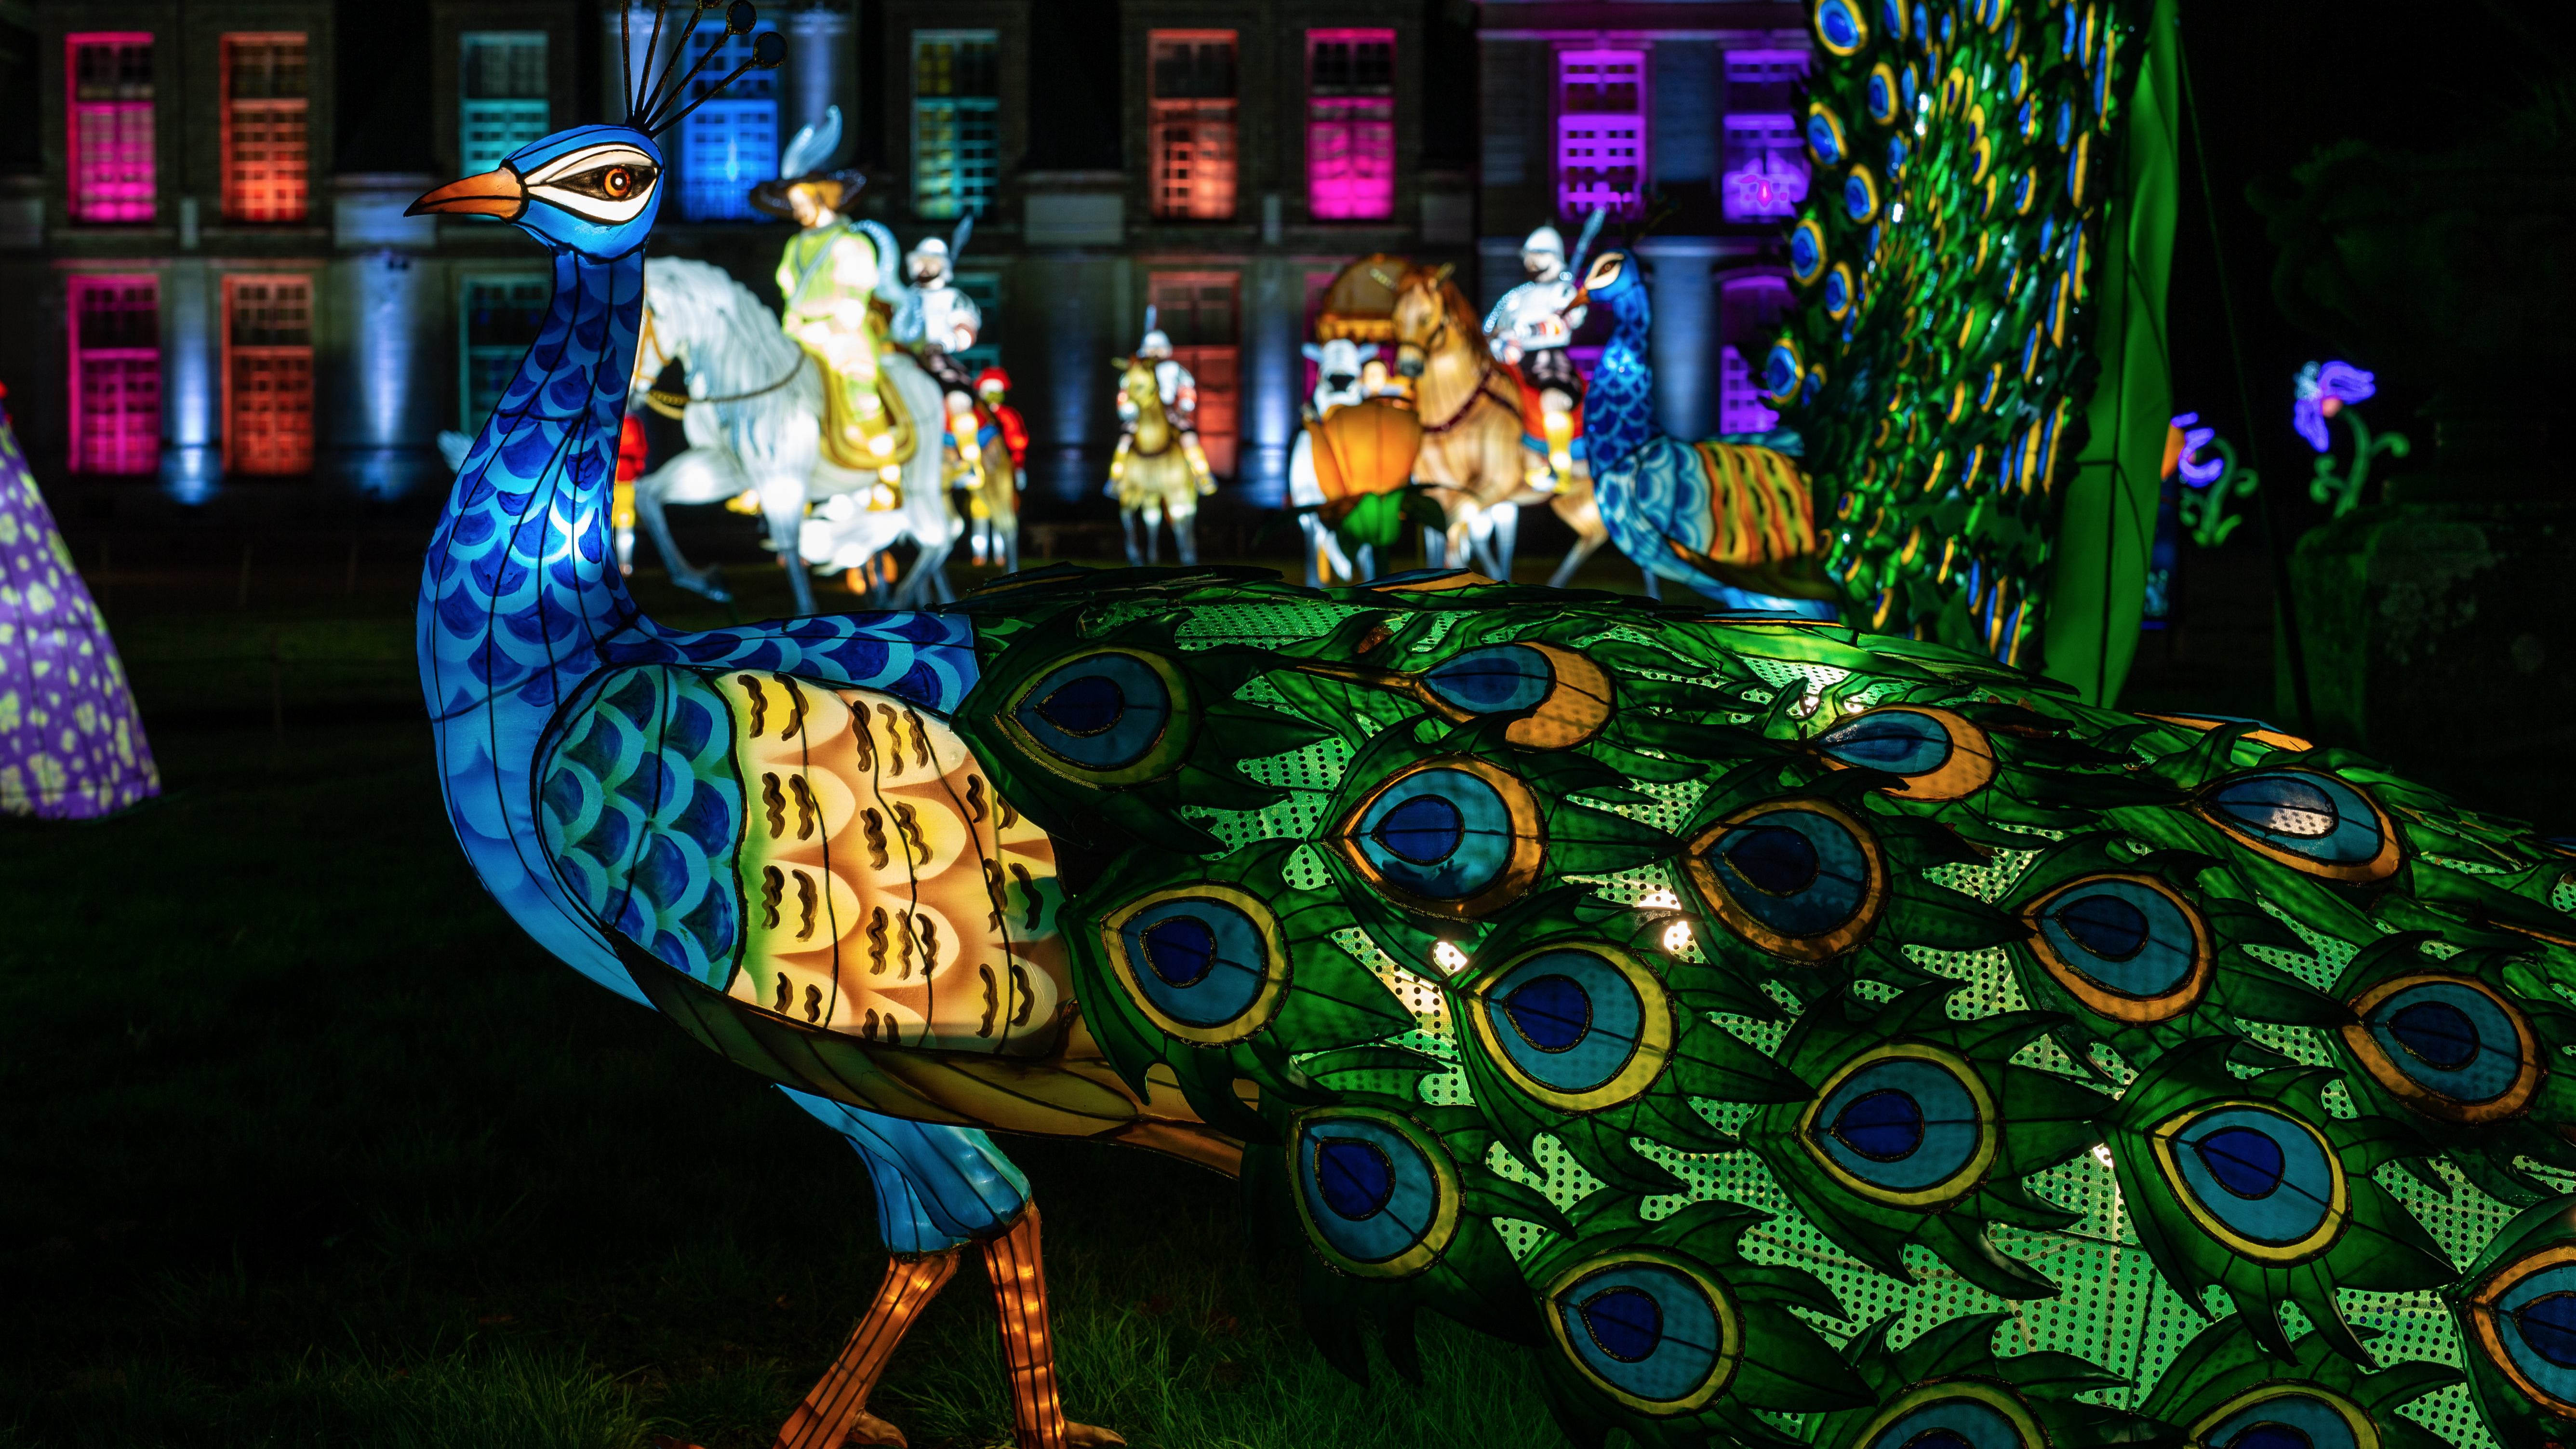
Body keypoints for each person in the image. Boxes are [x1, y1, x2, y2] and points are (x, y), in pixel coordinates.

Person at [749, 165, 905, 480]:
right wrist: (791, 331)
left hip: (843, 337)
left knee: (858, 390)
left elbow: (853, 303)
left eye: (802, 201)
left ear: (822, 198)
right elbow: (790, 296)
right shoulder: (794, 247)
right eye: (794, 203)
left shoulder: (852, 243)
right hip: (801, 336)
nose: (798, 210)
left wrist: (829, 326)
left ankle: (887, 468)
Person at [1483, 222, 1588, 483]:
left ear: (1554, 255)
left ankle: (1559, 464)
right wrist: (1494, 339)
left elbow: (1563, 322)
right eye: (1528, 255)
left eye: (1537, 254)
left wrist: (1527, 331)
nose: (1530, 260)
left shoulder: (1566, 291)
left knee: (1552, 399)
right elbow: (1494, 326)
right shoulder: (1518, 296)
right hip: (1513, 364)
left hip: (1548, 363)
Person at [1117, 318, 1214, 493]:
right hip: (1142, 414)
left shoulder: (1173, 368)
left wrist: (1182, 412)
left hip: (1170, 412)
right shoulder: (1136, 371)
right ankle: (1117, 479)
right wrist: (1130, 414)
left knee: (1188, 438)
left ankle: (1202, 475)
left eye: (1158, 350)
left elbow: (1187, 391)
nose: (1154, 354)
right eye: (1151, 350)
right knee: (1125, 442)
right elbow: (1125, 395)